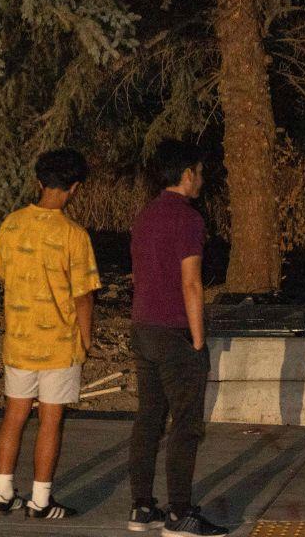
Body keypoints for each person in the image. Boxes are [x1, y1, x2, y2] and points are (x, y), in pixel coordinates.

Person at [0, 149, 100, 520]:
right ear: (75, 187)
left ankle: (3, 493)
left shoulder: (11, 224)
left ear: (39, 181)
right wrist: (86, 339)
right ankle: (40, 500)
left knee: (14, 415)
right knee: (51, 421)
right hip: (60, 344)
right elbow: (83, 296)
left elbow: (2, 273)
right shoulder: (74, 235)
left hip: (19, 339)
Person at [127, 140, 227, 537]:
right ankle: (179, 514)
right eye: (199, 172)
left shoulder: (145, 215)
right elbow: (191, 282)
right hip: (175, 331)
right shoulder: (188, 218)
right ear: (187, 174)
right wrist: (198, 341)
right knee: (186, 425)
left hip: (143, 326)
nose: (201, 179)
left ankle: (141, 507)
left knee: (148, 420)